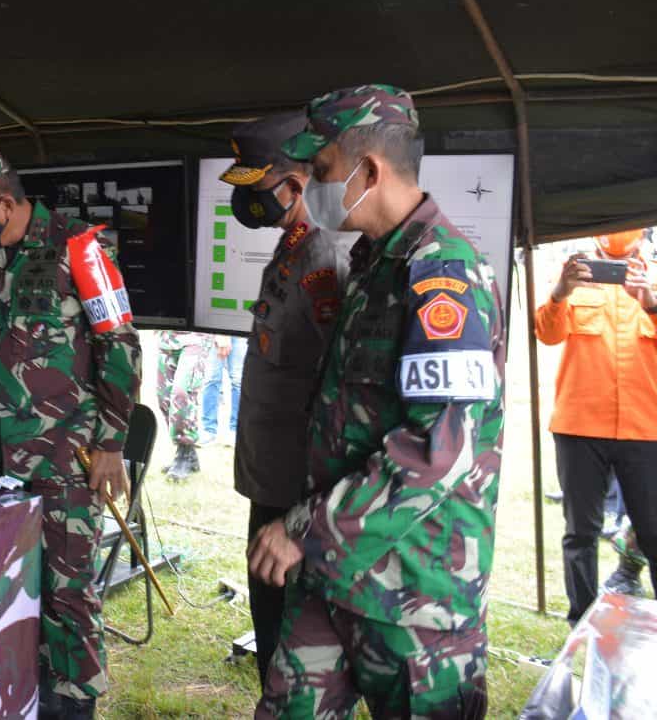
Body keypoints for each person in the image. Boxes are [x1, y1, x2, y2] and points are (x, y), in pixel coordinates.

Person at [248, 85, 504, 717]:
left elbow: (437, 452)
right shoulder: (369, 267)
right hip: (333, 573)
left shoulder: (444, 276)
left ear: (368, 171)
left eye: (324, 169)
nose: (315, 185)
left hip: (414, 595)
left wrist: (302, 526)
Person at [0, 148, 141, 719]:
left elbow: (120, 346)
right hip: (3, 462)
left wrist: (111, 443)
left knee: (68, 593)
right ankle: (24, 692)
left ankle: (74, 705)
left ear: (3, 202)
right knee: (16, 586)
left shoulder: (80, 247)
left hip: (68, 458)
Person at [221, 112, 349, 690]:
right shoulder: (292, 247)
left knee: (291, 643)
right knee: (270, 627)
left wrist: (306, 509)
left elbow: (332, 382)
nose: (249, 203)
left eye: (257, 189)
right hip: (272, 475)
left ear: (293, 187)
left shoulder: (324, 255)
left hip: (298, 485)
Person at [534, 228, 657, 623]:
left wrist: (651, 304)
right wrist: (560, 292)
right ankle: (580, 624)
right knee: (580, 533)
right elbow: (547, 333)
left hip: (645, 427)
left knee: (653, 533)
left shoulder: (652, 276)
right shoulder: (573, 273)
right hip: (579, 425)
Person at [155, 331, 212, 481]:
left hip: (197, 337)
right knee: (164, 397)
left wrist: (224, 336)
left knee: (181, 394)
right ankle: (190, 455)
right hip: (168, 337)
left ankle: (184, 451)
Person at [201, 334, 246, 445]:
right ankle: (208, 430)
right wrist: (221, 334)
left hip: (240, 328)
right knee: (211, 378)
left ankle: (235, 430)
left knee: (238, 380)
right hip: (215, 328)